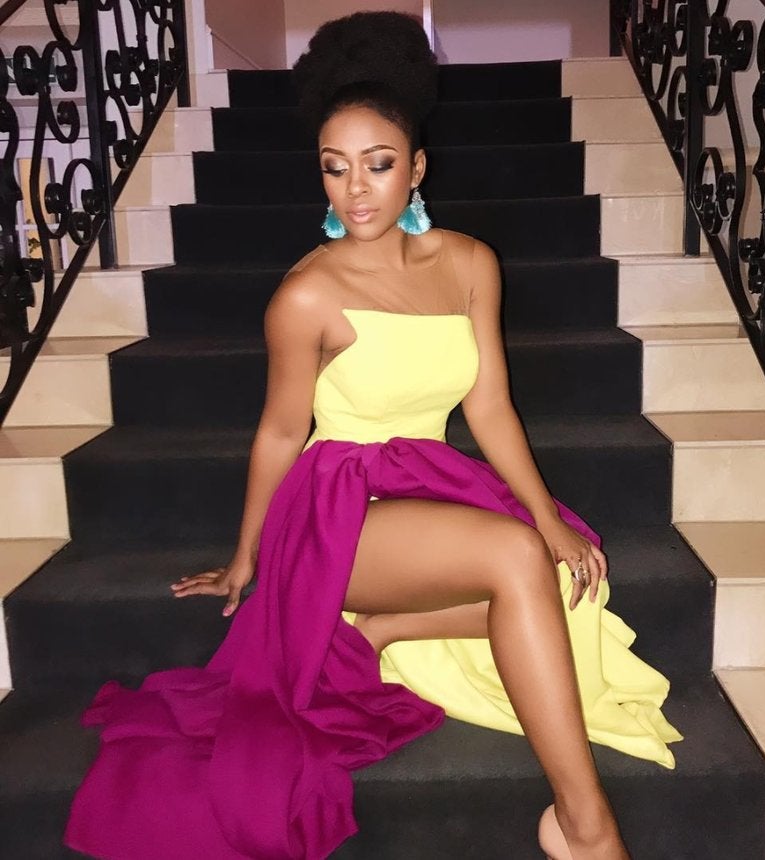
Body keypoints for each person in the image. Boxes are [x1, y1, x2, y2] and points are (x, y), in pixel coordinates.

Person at [65, 12, 680, 860]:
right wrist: (247, 556)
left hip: (424, 476)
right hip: (333, 507)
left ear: (416, 168)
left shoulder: (471, 263)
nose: (355, 189)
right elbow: (282, 431)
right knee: (514, 560)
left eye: (379, 164)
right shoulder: (306, 295)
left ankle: (382, 630)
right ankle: (585, 824)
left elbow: (490, 407)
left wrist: (547, 514)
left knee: (553, 571)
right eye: (335, 167)